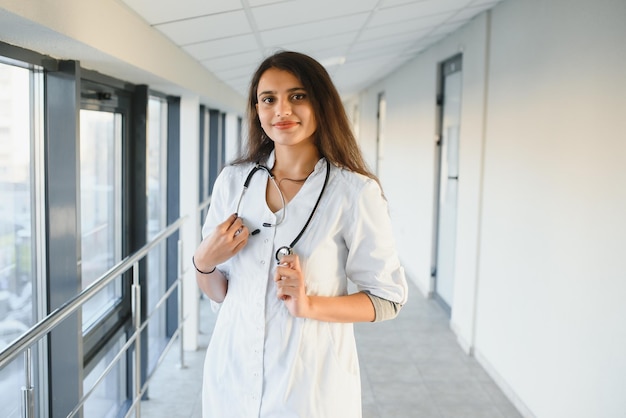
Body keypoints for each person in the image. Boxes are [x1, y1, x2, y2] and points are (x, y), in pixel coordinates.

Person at [192, 51, 408, 418]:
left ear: (321, 104)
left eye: (297, 96)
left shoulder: (354, 192)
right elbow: (222, 294)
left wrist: (309, 305)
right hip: (232, 377)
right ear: (257, 110)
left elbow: (388, 299)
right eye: (268, 99)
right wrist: (203, 262)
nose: (281, 111)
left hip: (310, 390)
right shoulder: (233, 183)